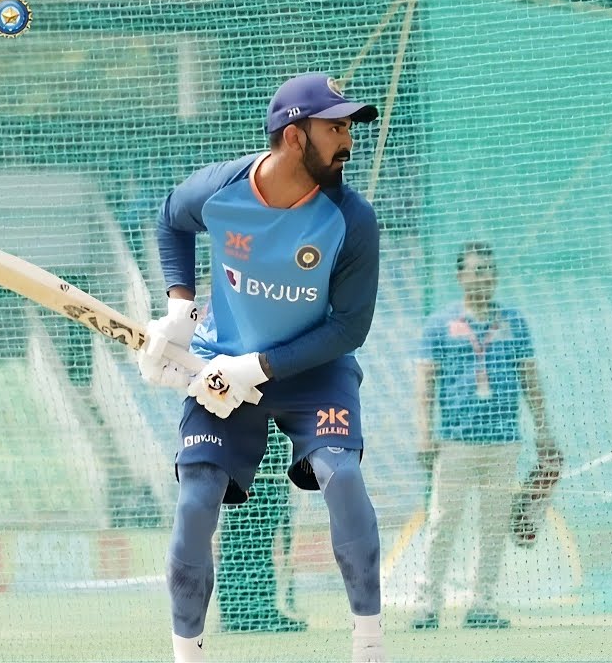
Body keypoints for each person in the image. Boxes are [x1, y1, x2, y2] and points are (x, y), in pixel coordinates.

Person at [136, 72, 386, 663]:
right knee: (196, 501)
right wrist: (178, 308)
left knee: (342, 478)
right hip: (222, 369)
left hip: (313, 367)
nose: (348, 140)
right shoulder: (225, 189)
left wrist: (261, 367)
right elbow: (172, 218)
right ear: (294, 137)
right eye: (336, 127)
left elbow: (350, 328)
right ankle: (187, 655)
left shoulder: (352, 219)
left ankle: (370, 646)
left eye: (349, 126)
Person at [411, 241, 560, 630]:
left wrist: (544, 432)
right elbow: (424, 385)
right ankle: (427, 605)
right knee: (444, 521)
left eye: (490, 270)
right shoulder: (440, 324)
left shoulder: (514, 321)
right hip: (456, 441)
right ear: (460, 276)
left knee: (493, 525)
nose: (485, 277)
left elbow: (530, 379)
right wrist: (424, 436)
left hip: (504, 440)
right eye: (477, 270)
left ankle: (482, 604)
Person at [215, 424, 306, 633]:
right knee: (249, 534)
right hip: (252, 455)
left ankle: (245, 610)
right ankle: (249, 612)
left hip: (259, 455)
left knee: (256, 536)